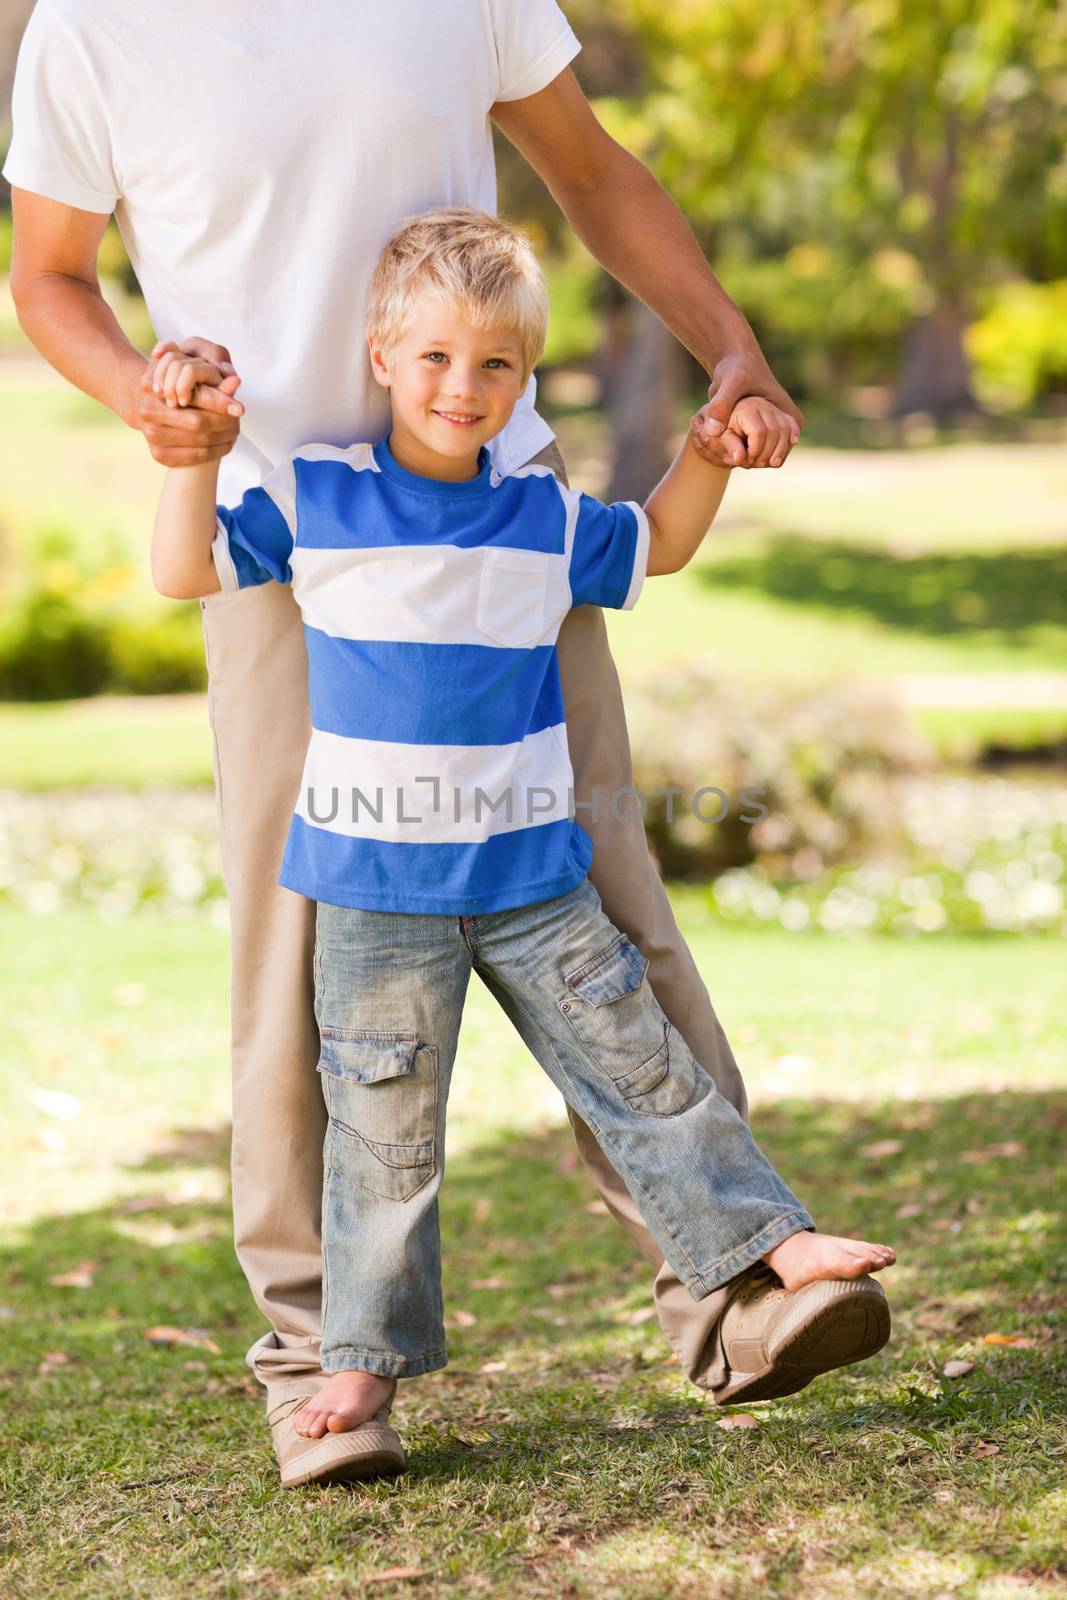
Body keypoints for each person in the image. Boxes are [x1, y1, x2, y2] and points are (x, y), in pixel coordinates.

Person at [3, 0, 841, 1490]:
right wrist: (150, 404)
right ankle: (322, 1361)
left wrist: (733, 354)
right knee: (300, 951)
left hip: (494, 529)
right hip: (280, 536)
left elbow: (590, 171)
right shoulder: (92, 27)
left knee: (605, 901)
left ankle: (727, 1282)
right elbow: (51, 277)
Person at [149, 206, 896, 1486]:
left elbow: (657, 540)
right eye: (435, 357)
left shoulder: (542, 519)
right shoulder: (314, 496)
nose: (463, 386)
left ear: (526, 380)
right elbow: (181, 571)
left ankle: (775, 1247)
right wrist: (189, 453)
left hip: (536, 890)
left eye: (495, 364)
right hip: (374, 896)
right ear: (382, 356)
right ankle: (361, 1361)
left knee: (645, 1080)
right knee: (384, 1139)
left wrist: (714, 448)